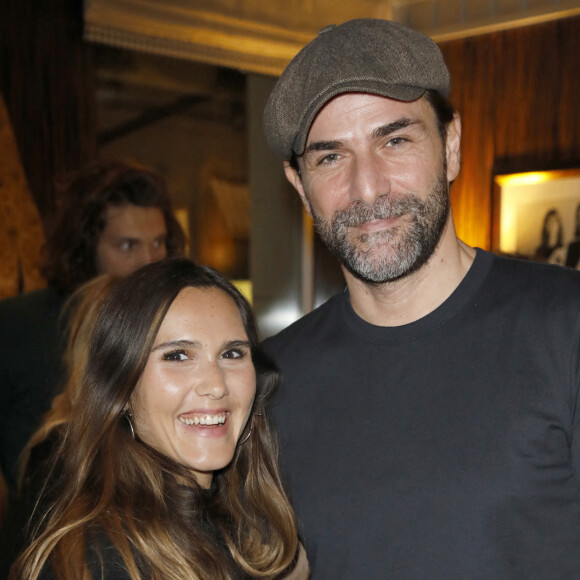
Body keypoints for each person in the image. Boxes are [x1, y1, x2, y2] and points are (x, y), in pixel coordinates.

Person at [261, 18, 580, 578]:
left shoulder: (566, 326)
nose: (368, 187)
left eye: (396, 140)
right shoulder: (270, 380)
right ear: (299, 186)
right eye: (330, 157)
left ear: (450, 146)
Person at [4, 258, 304, 579]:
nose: (216, 385)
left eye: (232, 353)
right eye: (177, 356)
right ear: (122, 387)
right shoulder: (100, 561)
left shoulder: (244, 529)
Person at [0, 160, 185, 497]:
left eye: (158, 243)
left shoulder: (175, 324)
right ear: (85, 249)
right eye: (128, 246)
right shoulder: (17, 327)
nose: (149, 261)